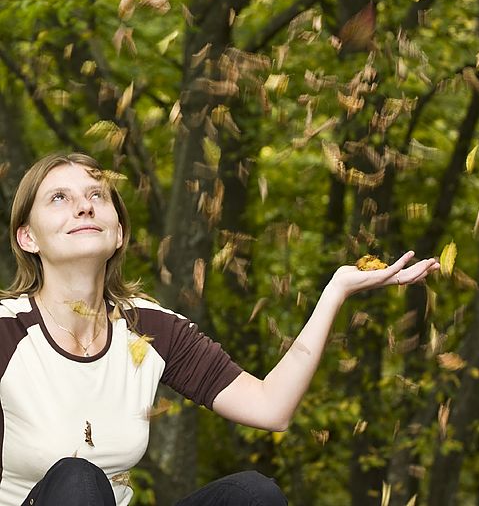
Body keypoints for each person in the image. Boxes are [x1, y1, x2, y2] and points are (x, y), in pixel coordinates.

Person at [0, 152, 440, 506]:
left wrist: (337, 290)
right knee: (78, 478)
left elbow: (271, 408)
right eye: (58, 197)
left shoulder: (149, 327)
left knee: (253, 494)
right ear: (28, 238)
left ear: (117, 233)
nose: (83, 204)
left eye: (97, 194)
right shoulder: (6, 330)